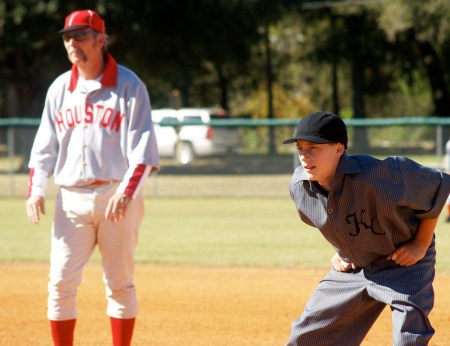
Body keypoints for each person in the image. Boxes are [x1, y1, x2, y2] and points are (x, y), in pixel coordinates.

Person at [25, 9, 160, 346]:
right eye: (68, 37)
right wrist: (35, 190)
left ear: (101, 40)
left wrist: (127, 193)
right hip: (70, 200)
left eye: (81, 35)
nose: (72, 43)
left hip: (117, 196)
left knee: (120, 284)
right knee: (60, 283)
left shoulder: (129, 86)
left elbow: (143, 152)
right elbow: (44, 147)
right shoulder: (59, 89)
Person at [282, 111, 450, 345]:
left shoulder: (380, 174)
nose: (304, 156)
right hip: (357, 265)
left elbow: (439, 186)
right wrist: (343, 248)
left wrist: (420, 244)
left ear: (339, 149)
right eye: (300, 148)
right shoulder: (301, 188)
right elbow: (332, 219)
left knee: (408, 338)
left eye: (313, 147)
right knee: (306, 335)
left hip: (403, 263)